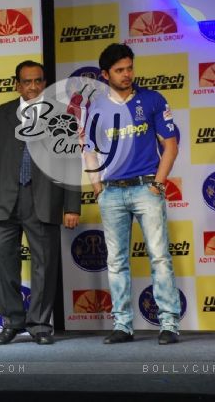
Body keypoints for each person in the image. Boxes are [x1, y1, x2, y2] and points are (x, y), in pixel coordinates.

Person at [0, 60, 81, 346]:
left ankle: (40, 325)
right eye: (27, 81)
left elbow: (70, 163)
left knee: (44, 265)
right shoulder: (1, 114)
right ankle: (12, 322)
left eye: (38, 81)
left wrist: (72, 206)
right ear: (17, 84)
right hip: (5, 199)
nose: (33, 86)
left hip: (43, 200)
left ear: (44, 83)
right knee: (1, 261)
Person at [85, 43, 181, 345]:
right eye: (119, 70)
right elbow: (88, 148)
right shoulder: (95, 106)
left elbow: (171, 145)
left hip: (146, 187)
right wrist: (97, 187)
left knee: (159, 257)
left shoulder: (152, 99)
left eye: (130, 68)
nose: (127, 74)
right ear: (105, 75)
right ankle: (123, 325)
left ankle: (169, 324)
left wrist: (159, 183)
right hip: (111, 192)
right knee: (116, 261)